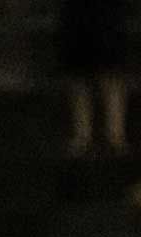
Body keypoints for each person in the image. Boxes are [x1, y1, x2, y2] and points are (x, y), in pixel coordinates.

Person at [60, 0, 129, 155]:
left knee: (111, 73)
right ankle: (83, 135)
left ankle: (115, 135)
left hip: (108, 13)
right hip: (76, 14)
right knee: (78, 76)